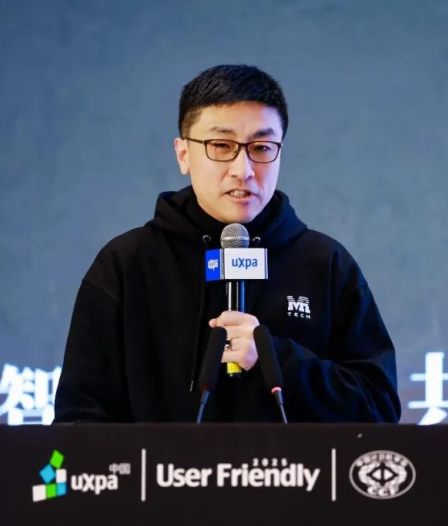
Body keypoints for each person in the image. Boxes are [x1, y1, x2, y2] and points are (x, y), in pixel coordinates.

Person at [54, 64, 400, 423]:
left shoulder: (325, 264)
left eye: (261, 147)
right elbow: (80, 419)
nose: (243, 169)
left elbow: (380, 409)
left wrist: (276, 359)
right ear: (183, 154)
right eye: (221, 146)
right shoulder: (126, 264)